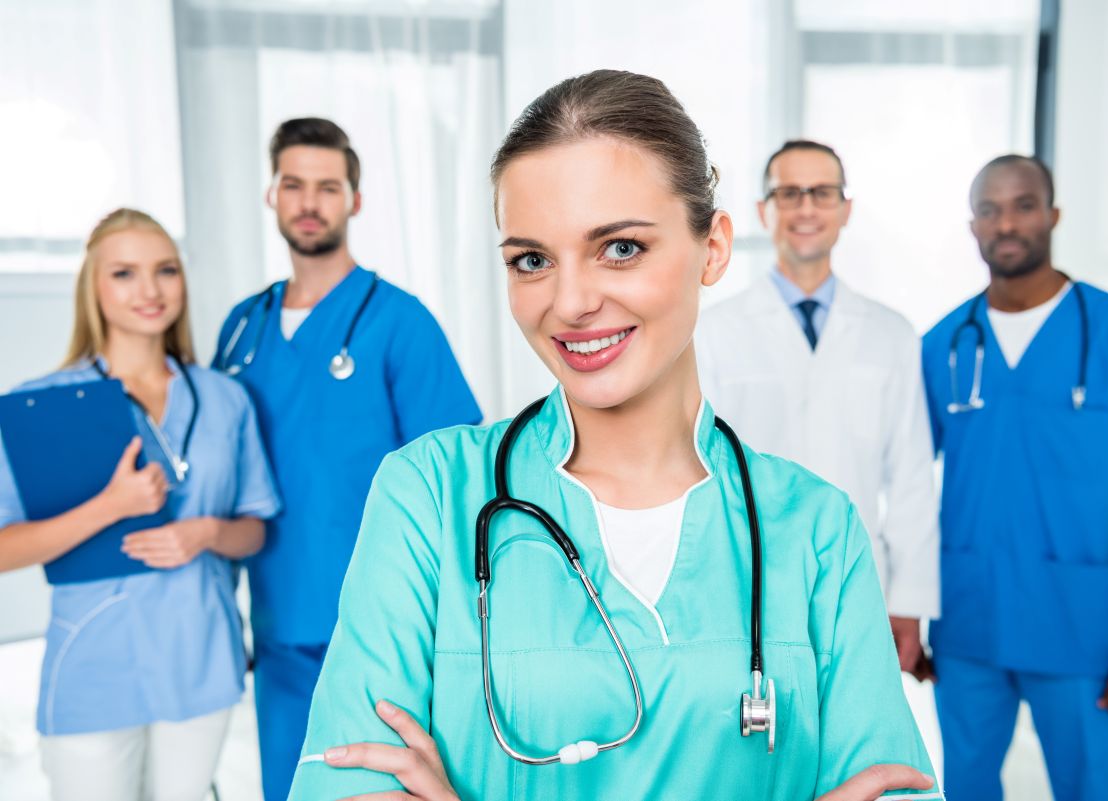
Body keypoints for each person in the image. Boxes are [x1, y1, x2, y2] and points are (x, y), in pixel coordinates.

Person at [286, 71, 940, 801]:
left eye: (620, 248)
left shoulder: (816, 528)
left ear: (714, 248)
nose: (570, 302)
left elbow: (897, 786)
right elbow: (344, 782)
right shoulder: (431, 495)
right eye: (532, 260)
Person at [213, 117, 482, 801]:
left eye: (328, 187)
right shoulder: (242, 328)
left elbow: (456, 478)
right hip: (277, 624)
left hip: (377, 627)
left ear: (355, 200)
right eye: (294, 184)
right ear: (271, 194)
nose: (310, 202)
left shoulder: (398, 321)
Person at [922, 154, 1108, 801]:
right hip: (969, 622)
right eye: (989, 209)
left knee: (1101, 789)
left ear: (1053, 215)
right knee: (966, 789)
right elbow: (902, 484)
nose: (1006, 223)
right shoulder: (945, 345)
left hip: (1081, 628)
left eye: (1023, 205)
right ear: (973, 225)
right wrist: (905, 610)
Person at [0, 209, 280, 801]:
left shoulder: (225, 398)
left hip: (200, 657)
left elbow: (255, 528)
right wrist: (111, 506)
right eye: (124, 273)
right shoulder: (39, 406)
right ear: (93, 287)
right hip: (94, 666)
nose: (150, 290)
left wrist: (206, 532)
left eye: (166, 270)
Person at [695, 140, 939, 672]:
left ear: (845, 209)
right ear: (763, 210)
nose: (806, 208)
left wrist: (909, 603)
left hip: (861, 578)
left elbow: (911, 477)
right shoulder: (712, 331)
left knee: (854, 717)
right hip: (746, 576)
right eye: (789, 193)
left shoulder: (892, 334)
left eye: (822, 193)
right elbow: (697, 466)